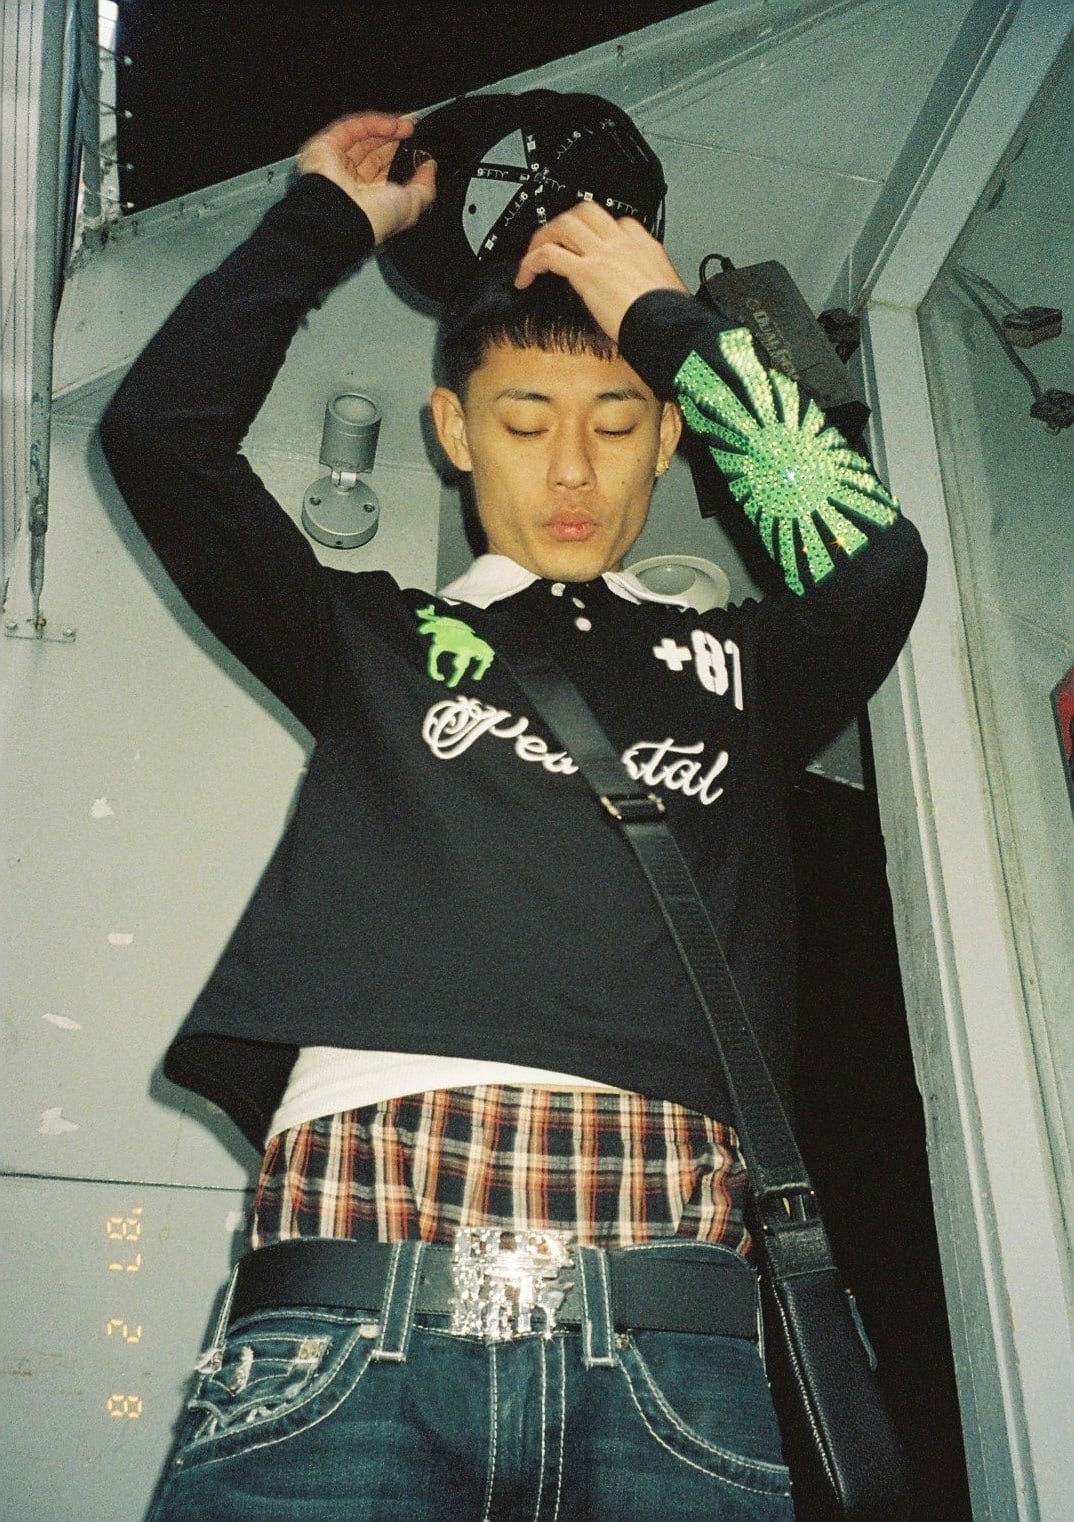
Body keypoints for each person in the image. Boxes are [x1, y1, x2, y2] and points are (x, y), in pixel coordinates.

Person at [101, 110, 926, 1522]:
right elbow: (159, 437)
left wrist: (662, 317)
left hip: (669, 1315)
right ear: (453, 431)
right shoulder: (371, 637)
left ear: (669, 440)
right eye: (525, 422)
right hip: (357, 1273)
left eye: (617, 423)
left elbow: (872, 566)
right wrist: (320, 223)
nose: (571, 470)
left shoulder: (741, 669)